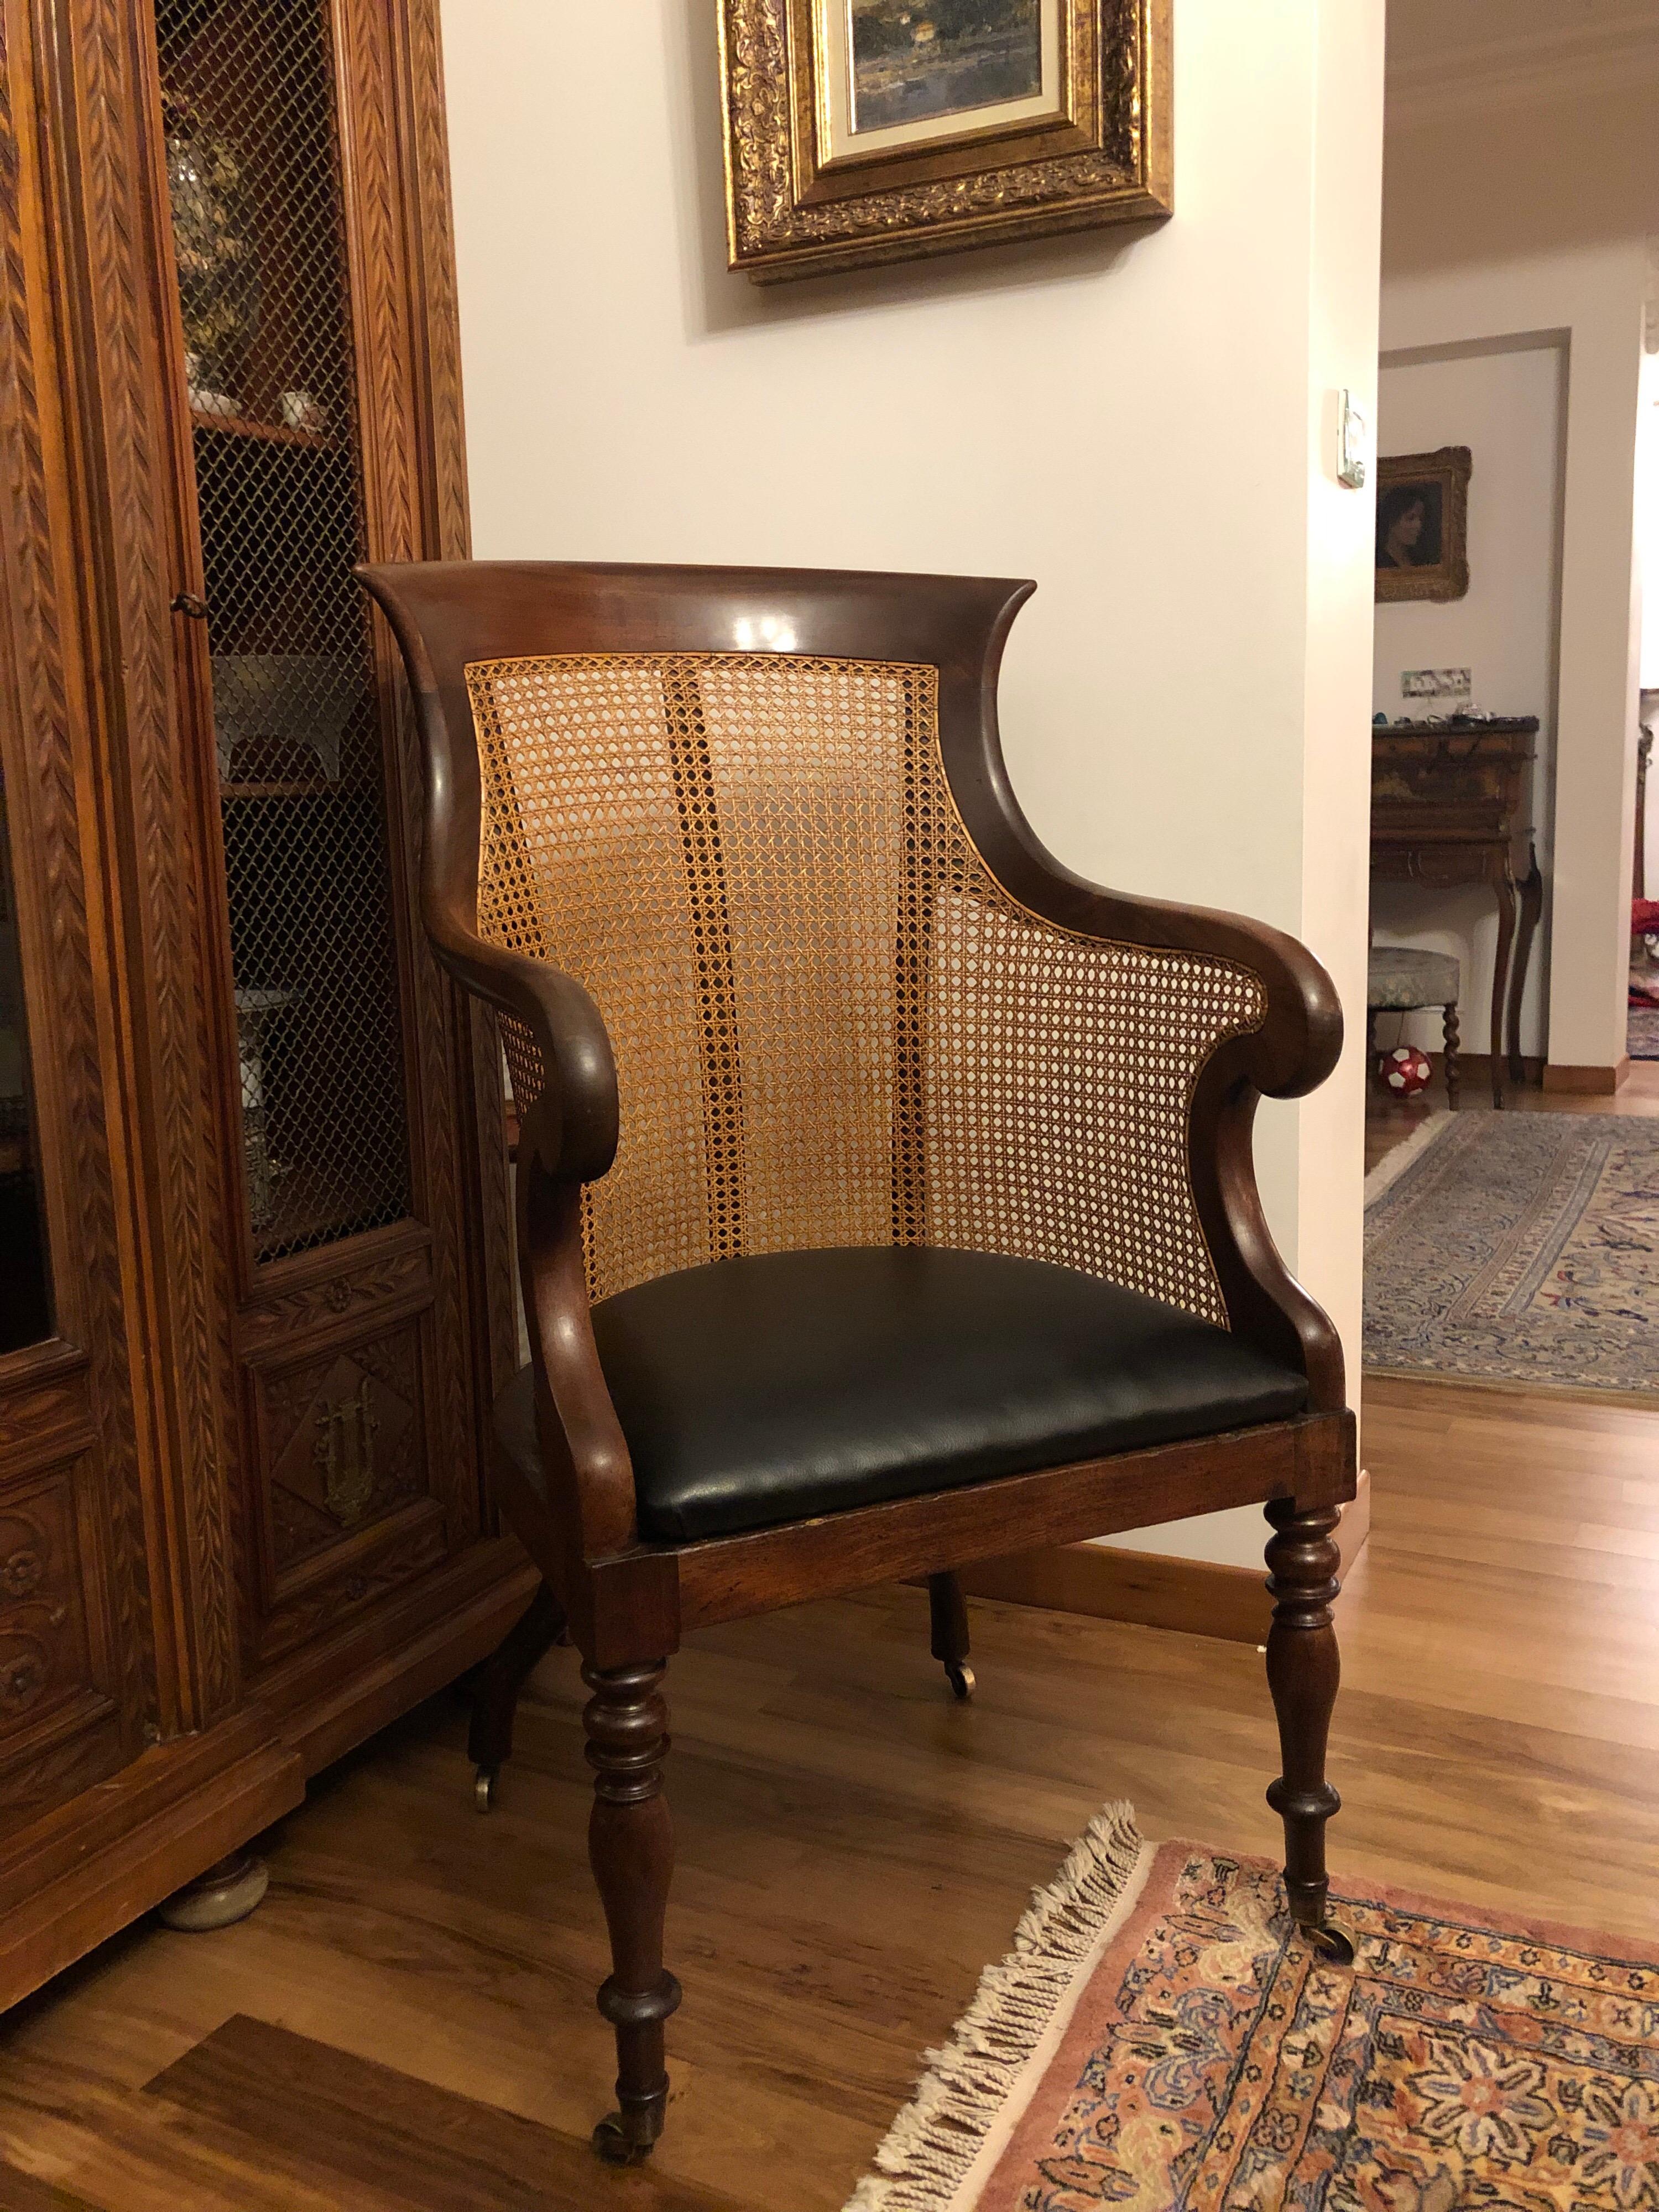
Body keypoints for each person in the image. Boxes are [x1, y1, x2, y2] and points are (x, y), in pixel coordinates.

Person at [1377, 486, 1432, 568]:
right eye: (1410, 518)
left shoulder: (1420, 560)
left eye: (1421, 518)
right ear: (1392, 520)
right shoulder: (1378, 561)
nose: (1419, 525)